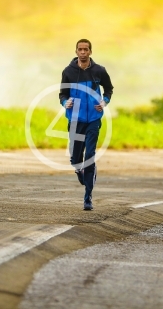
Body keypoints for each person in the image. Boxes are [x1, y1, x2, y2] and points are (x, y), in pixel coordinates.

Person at [59, 39, 114, 210]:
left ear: (90, 52)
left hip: (93, 119)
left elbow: (109, 89)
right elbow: (62, 94)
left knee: (89, 156)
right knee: (76, 158)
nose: (83, 52)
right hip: (75, 120)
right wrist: (65, 102)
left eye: (86, 49)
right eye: (80, 49)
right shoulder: (68, 72)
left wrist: (104, 102)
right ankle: (78, 170)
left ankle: (88, 196)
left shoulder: (99, 71)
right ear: (76, 52)